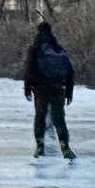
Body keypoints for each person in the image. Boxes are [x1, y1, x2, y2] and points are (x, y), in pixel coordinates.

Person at [24, 22, 75, 159]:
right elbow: (70, 71)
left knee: (40, 117)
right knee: (59, 119)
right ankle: (65, 146)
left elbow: (29, 69)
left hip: (41, 88)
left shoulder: (35, 48)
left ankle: (40, 146)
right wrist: (69, 91)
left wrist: (27, 88)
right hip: (58, 88)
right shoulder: (58, 48)